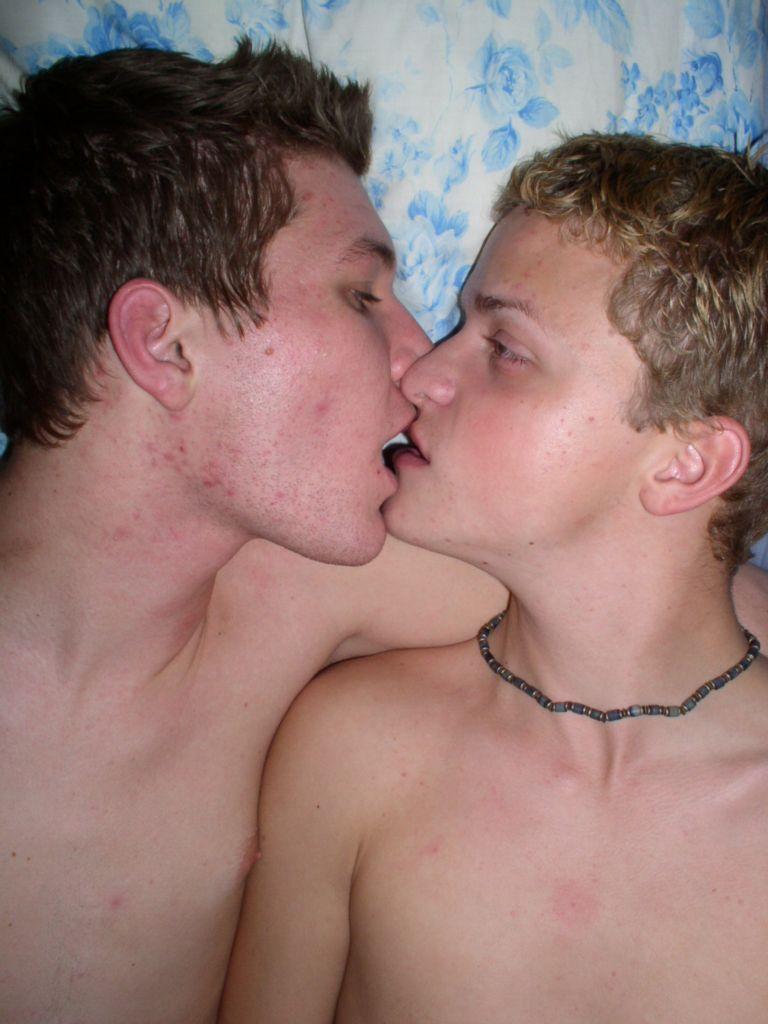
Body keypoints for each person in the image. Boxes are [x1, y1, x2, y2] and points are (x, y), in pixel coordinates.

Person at [0, 41, 515, 1024]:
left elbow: (652, 601)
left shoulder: (293, 586)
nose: (420, 364)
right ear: (164, 345)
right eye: (361, 296)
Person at [221, 133, 768, 1024]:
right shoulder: (354, 750)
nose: (422, 374)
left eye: (505, 349)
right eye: (461, 325)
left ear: (687, 465)